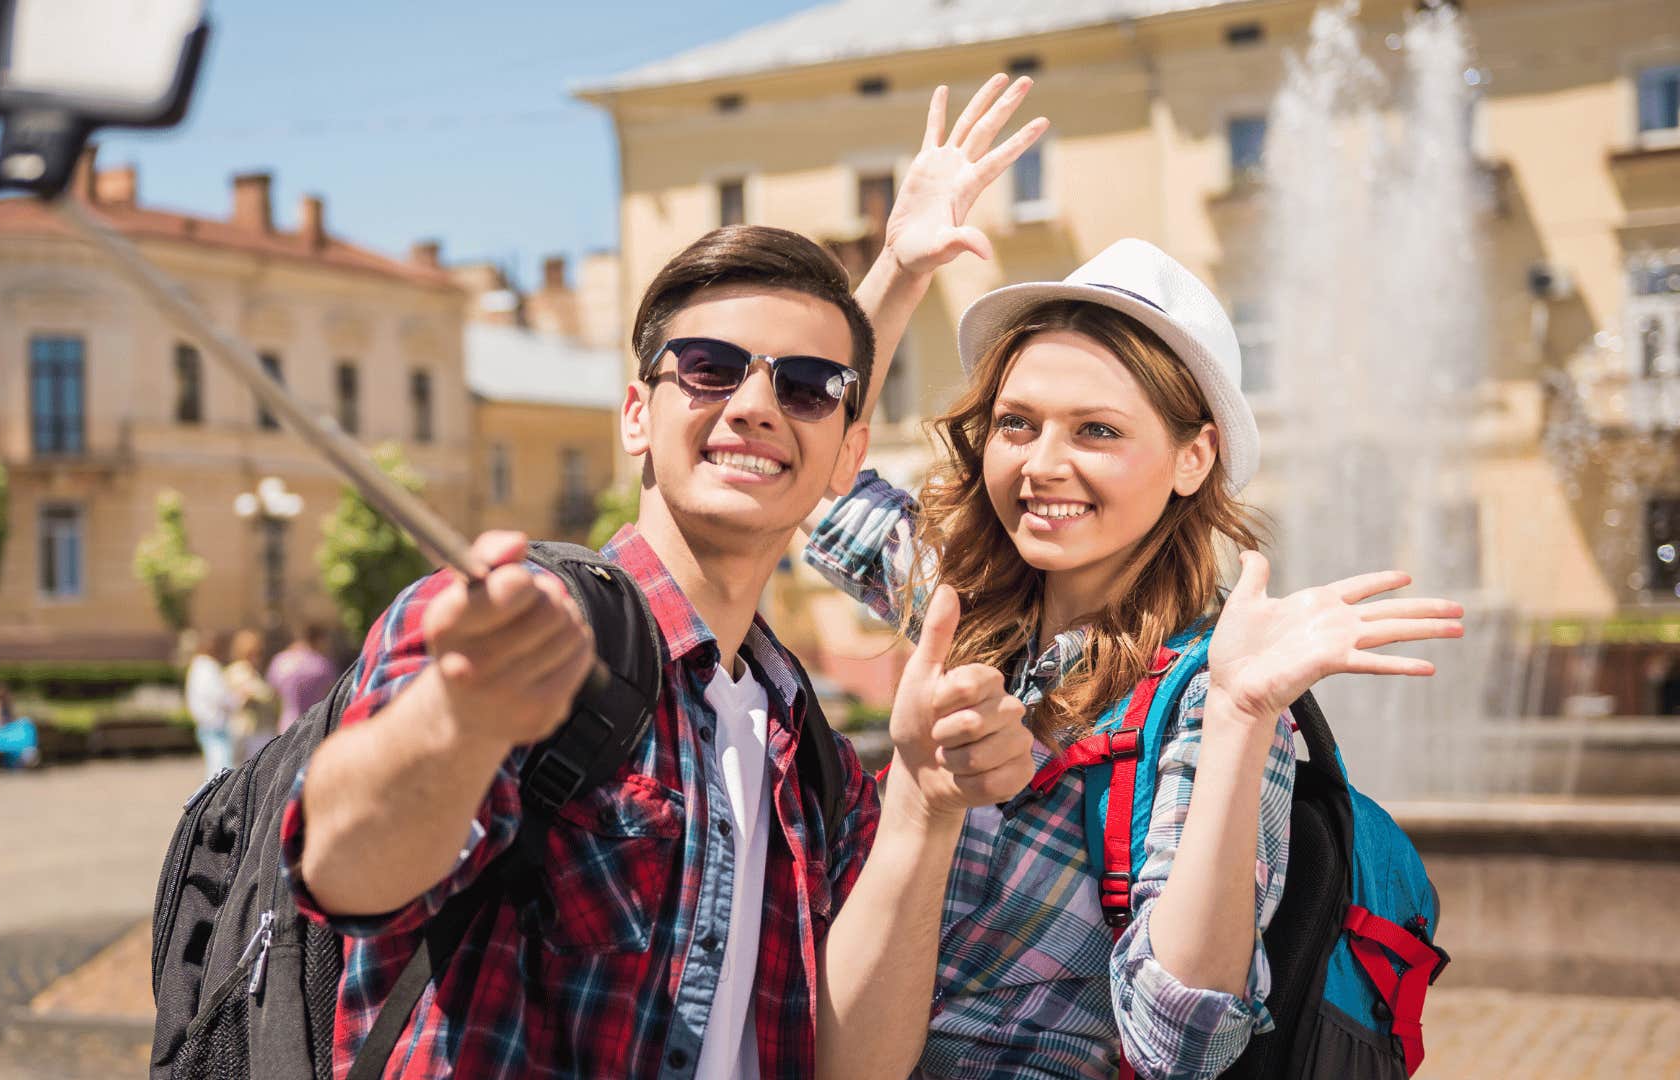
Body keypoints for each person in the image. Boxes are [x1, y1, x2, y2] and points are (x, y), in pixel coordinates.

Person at [280, 82, 1049, 1079]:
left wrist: (923, 808)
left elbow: (854, 1063)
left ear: (846, 451)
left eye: (806, 388)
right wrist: (458, 719)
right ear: (638, 414)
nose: (758, 406)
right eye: (709, 368)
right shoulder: (526, 624)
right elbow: (344, 873)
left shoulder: (804, 744)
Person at [801, 91, 1468, 1078]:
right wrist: (897, 270)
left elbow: (1182, 1042)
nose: (1042, 463)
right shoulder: (964, 603)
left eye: (1099, 431)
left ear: (1194, 458)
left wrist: (1243, 716)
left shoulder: (1204, 688)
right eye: (1018, 422)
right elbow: (808, 484)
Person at [267, 621, 341, 735]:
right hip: (314, 726)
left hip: (286, 725)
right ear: (319, 640)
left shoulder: (281, 661)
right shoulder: (322, 665)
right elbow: (332, 695)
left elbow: (273, 694)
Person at [225, 628, 280, 762]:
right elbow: (260, 693)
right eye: (254, 653)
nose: (258, 657)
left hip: (259, 729)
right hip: (249, 731)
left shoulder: (252, 671)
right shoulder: (240, 670)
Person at [185, 630, 233, 779]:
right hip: (214, 723)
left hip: (205, 722)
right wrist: (237, 700)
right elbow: (219, 695)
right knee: (220, 767)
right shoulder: (209, 667)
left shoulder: (197, 666)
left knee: (215, 764)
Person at [0, 683, 41, 770]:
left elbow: (12, 719)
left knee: (26, 723)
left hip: (7, 731)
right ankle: (27, 755)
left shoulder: (6, 703)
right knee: (23, 730)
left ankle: (27, 753)